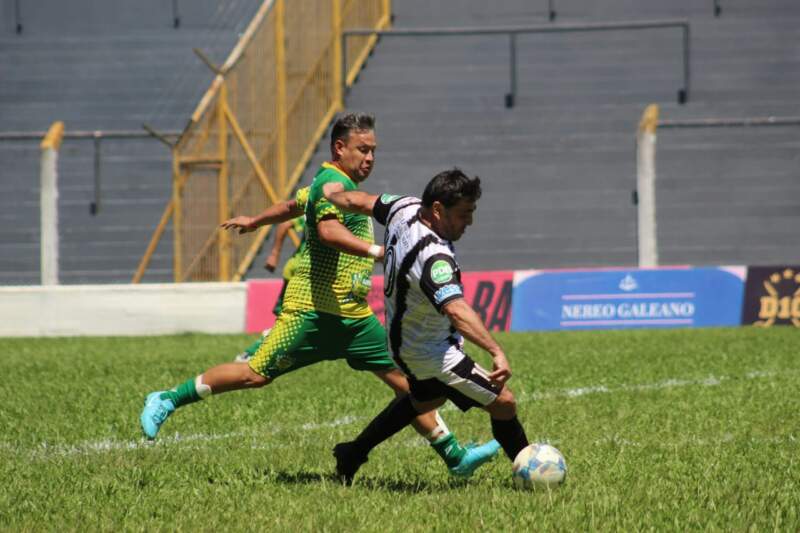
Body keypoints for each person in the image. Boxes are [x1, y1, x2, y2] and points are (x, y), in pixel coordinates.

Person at [139, 113, 500, 477]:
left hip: (354, 318)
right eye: (362, 149)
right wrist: (378, 253)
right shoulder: (331, 179)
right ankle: (168, 399)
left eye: (374, 150)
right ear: (339, 148)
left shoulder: (330, 185)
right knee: (254, 374)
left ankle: (455, 457)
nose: (370, 158)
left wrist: (255, 221)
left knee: (411, 388)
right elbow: (327, 232)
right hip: (312, 311)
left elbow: (294, 205)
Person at [322, 168, 531, 485]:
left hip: (405, 340)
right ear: (437, 209)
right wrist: (495, 350)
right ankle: (531, 473)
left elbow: (361, 201)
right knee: (504, 403)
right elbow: (457, 310)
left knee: (425, 401)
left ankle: (352, 452)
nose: (469, 222)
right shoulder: (433, 257)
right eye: (463, 215)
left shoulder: (404, 206)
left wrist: (333, 195)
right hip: (431, 352)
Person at [233, 187, 308, 363]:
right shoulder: (320, 206)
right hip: (300, 272)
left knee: (292, 322)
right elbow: (285, 223)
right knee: (288, 322)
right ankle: (252, 354)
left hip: (305, 272)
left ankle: (259, 354)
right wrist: (274, 253)